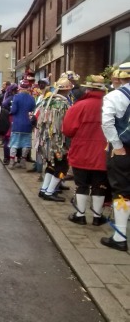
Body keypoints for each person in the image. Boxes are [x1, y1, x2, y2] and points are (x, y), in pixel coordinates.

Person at [62, 75, 108, 226]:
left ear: (88, 89)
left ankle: (80, 214)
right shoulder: (109, 104)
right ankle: (97, 216)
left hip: (81, 151)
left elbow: (68, 130)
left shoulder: (79, 106)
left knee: (81, 184)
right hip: (103, 152)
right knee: (99, 184)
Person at [100, 63, 130, 251]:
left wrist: (117, 146)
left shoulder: (115, 96)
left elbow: (107, 122)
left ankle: (120, 237)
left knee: (121, 192)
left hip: (124, 150)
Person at [37, 74, 73, 202]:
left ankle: (44, 189)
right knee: (62, 166)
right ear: (67, 90)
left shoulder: (47, 101)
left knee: (51, 164)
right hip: (59, 142)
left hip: (46, 141)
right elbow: (67, 125)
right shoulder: (63, 104)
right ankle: (49, 192)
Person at [9, 80, 36, 169]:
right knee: (26, 143)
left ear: (20, 88)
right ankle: (23, 161)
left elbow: (13, 110)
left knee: (14, 143)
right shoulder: (32, 98)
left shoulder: (16, 97)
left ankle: (12, 161)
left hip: (17, 123)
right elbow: (33, 110)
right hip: (27, 124)